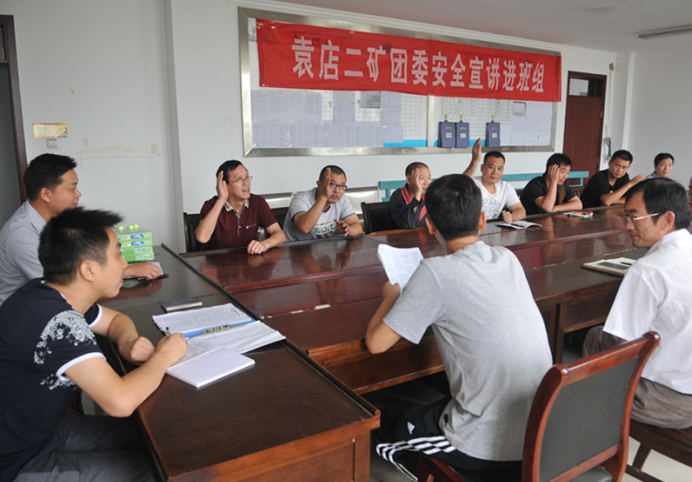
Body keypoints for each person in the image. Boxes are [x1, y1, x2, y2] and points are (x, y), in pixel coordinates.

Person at [365, 174, 552, 479]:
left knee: (381, 427)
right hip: (541, 431)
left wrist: (390, 297)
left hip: (486, 444)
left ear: (430, 225)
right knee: (427, 405)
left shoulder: (435, 271)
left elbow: (376, 343)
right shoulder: (507, 257)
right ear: (483, 220)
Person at [0, 207, 188, 481]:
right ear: (88, 270)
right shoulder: (57, 322)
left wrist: (128, 342)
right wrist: (164, 356)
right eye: (117, 254)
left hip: (42, 432)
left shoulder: (48, 292)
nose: (124, 262)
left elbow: (116, 321)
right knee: (164, 471)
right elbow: (120, 402)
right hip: (15, 461)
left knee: (158, 440)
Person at [583, 178, 692, 429]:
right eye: (626, 217)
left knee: (597, 343)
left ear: (667, 219)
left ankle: (597, 428)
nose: (627, 225)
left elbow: (626, 347)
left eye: (634, 217)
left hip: (667, 403)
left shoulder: (648, 270)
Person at [0, 154, 162, 306]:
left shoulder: (58, 220)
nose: (78, 194)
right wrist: (127, 271)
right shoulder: (21, 236)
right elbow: (66, 285)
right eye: (71, 189)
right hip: (23, 315)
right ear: (46, 194)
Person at [195, 160, 285, 253]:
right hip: (215, 260)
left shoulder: (257, 202)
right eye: (239, 179)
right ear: (224, 185)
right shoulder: (211, 206)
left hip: (246, 259)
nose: (246, 183)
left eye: (247, 177)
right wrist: (221, 200)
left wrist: (264, 244)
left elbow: (280, 235)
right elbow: (202, 238)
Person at [283, 165, 363, 241]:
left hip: (321, 248)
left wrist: (348, 230)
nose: (337, 190)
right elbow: (305, 227)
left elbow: (358, 228)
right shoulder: (300, 199)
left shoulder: (342, 199)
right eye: (332, 184)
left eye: (341, 186)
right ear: (319, 184)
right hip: (294, 248)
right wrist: (323, 197)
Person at [462, 138, 525, 222]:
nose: (495, 172)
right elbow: (462, 185)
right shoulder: (473, 183)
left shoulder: (505, 187)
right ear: (482, 168)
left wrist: (512, 217)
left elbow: (521, 211)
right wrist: (475, 160)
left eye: (499, 169)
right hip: (471, 227)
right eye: (491, 167)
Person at [580, 150, 645, 208]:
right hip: (588, 212)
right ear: (610, 163)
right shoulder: (599, 177)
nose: (620, 170)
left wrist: (612, 200)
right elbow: (607, 201)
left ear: (628, 167)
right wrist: (629, 185)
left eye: (624, 167)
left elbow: (631, 199)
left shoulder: (624, 177)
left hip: (608, 211)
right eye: (617, 165)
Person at [386, 162, 431, 229]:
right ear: (409, 180)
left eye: (429, 178)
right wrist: (418, 192)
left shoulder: (428, 196)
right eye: (422, 178)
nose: (427, 182)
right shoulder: (398, 196)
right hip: (400, 235)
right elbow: (409, 224)